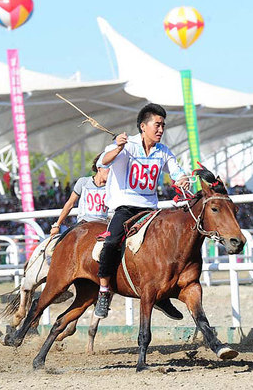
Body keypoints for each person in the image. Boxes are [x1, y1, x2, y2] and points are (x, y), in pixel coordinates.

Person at [94, 103, 191, 319]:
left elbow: (176, 171)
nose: (161, 130)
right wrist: (117, 147)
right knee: (110, 243)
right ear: (143, 126)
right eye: (157, 125)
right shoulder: (127, 146)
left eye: (163, 126)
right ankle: (103, 292)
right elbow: (103, 161)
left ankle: (162, 296)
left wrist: (182, 179)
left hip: (151, 209)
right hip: (125, 207)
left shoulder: (163, 151)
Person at [49, 153, 110, 237]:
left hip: (103, 226)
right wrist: (57, 225)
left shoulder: (112, 187)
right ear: (99, 168)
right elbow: (70, 203)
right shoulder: (83, 182)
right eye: (108, 167)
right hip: (83, 225)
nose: (111, 171)